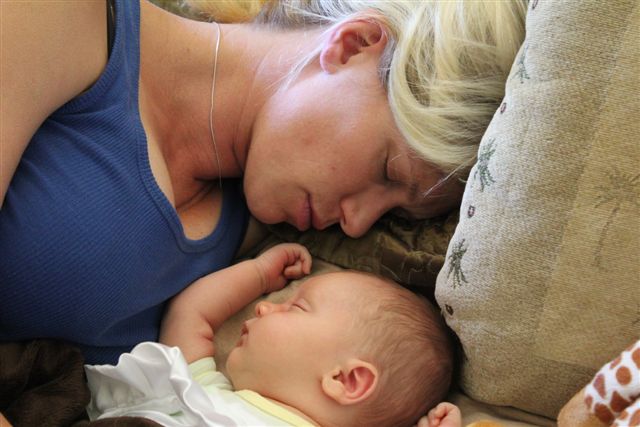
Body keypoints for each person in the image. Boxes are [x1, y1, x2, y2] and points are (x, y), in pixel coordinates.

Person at [0, 0, 527, 364]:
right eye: (386, 171)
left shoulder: (258, 245)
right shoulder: (65, 19)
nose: (358, 223)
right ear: (353, 45)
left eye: (394, 214)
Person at [85, 242, 454, 427]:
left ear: (345, 379)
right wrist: (258, 273)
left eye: (295, 307)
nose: (263, 307)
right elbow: (190, 313)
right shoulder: (205, 390)